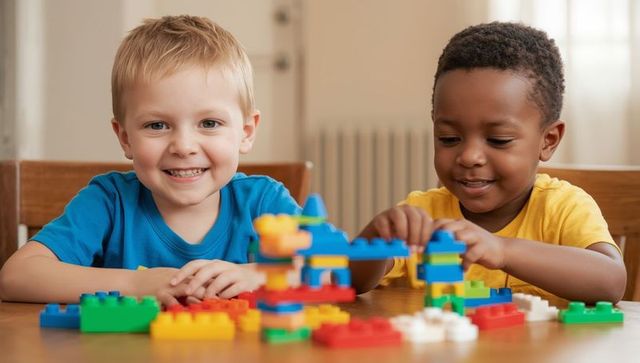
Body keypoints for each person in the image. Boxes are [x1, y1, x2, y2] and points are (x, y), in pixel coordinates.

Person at [0, 15, 300, 306]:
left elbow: (336, 266)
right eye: (157, 125)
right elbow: (16, 276)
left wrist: (259, 275)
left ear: (246, 132)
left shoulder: (263, 202)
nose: (183, 147)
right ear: (126, 138)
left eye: (209, 123)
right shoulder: (109, 202)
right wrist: (135, 284)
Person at [350, 22, 626, 306]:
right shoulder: (423, 215)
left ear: (548, 140)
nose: (469, 156)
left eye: (498, 139)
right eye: (449, 138)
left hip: (537, 352)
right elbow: (348, 282)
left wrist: (503, 250)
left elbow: (612, 281)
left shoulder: (563, 208)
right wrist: (375, 236)